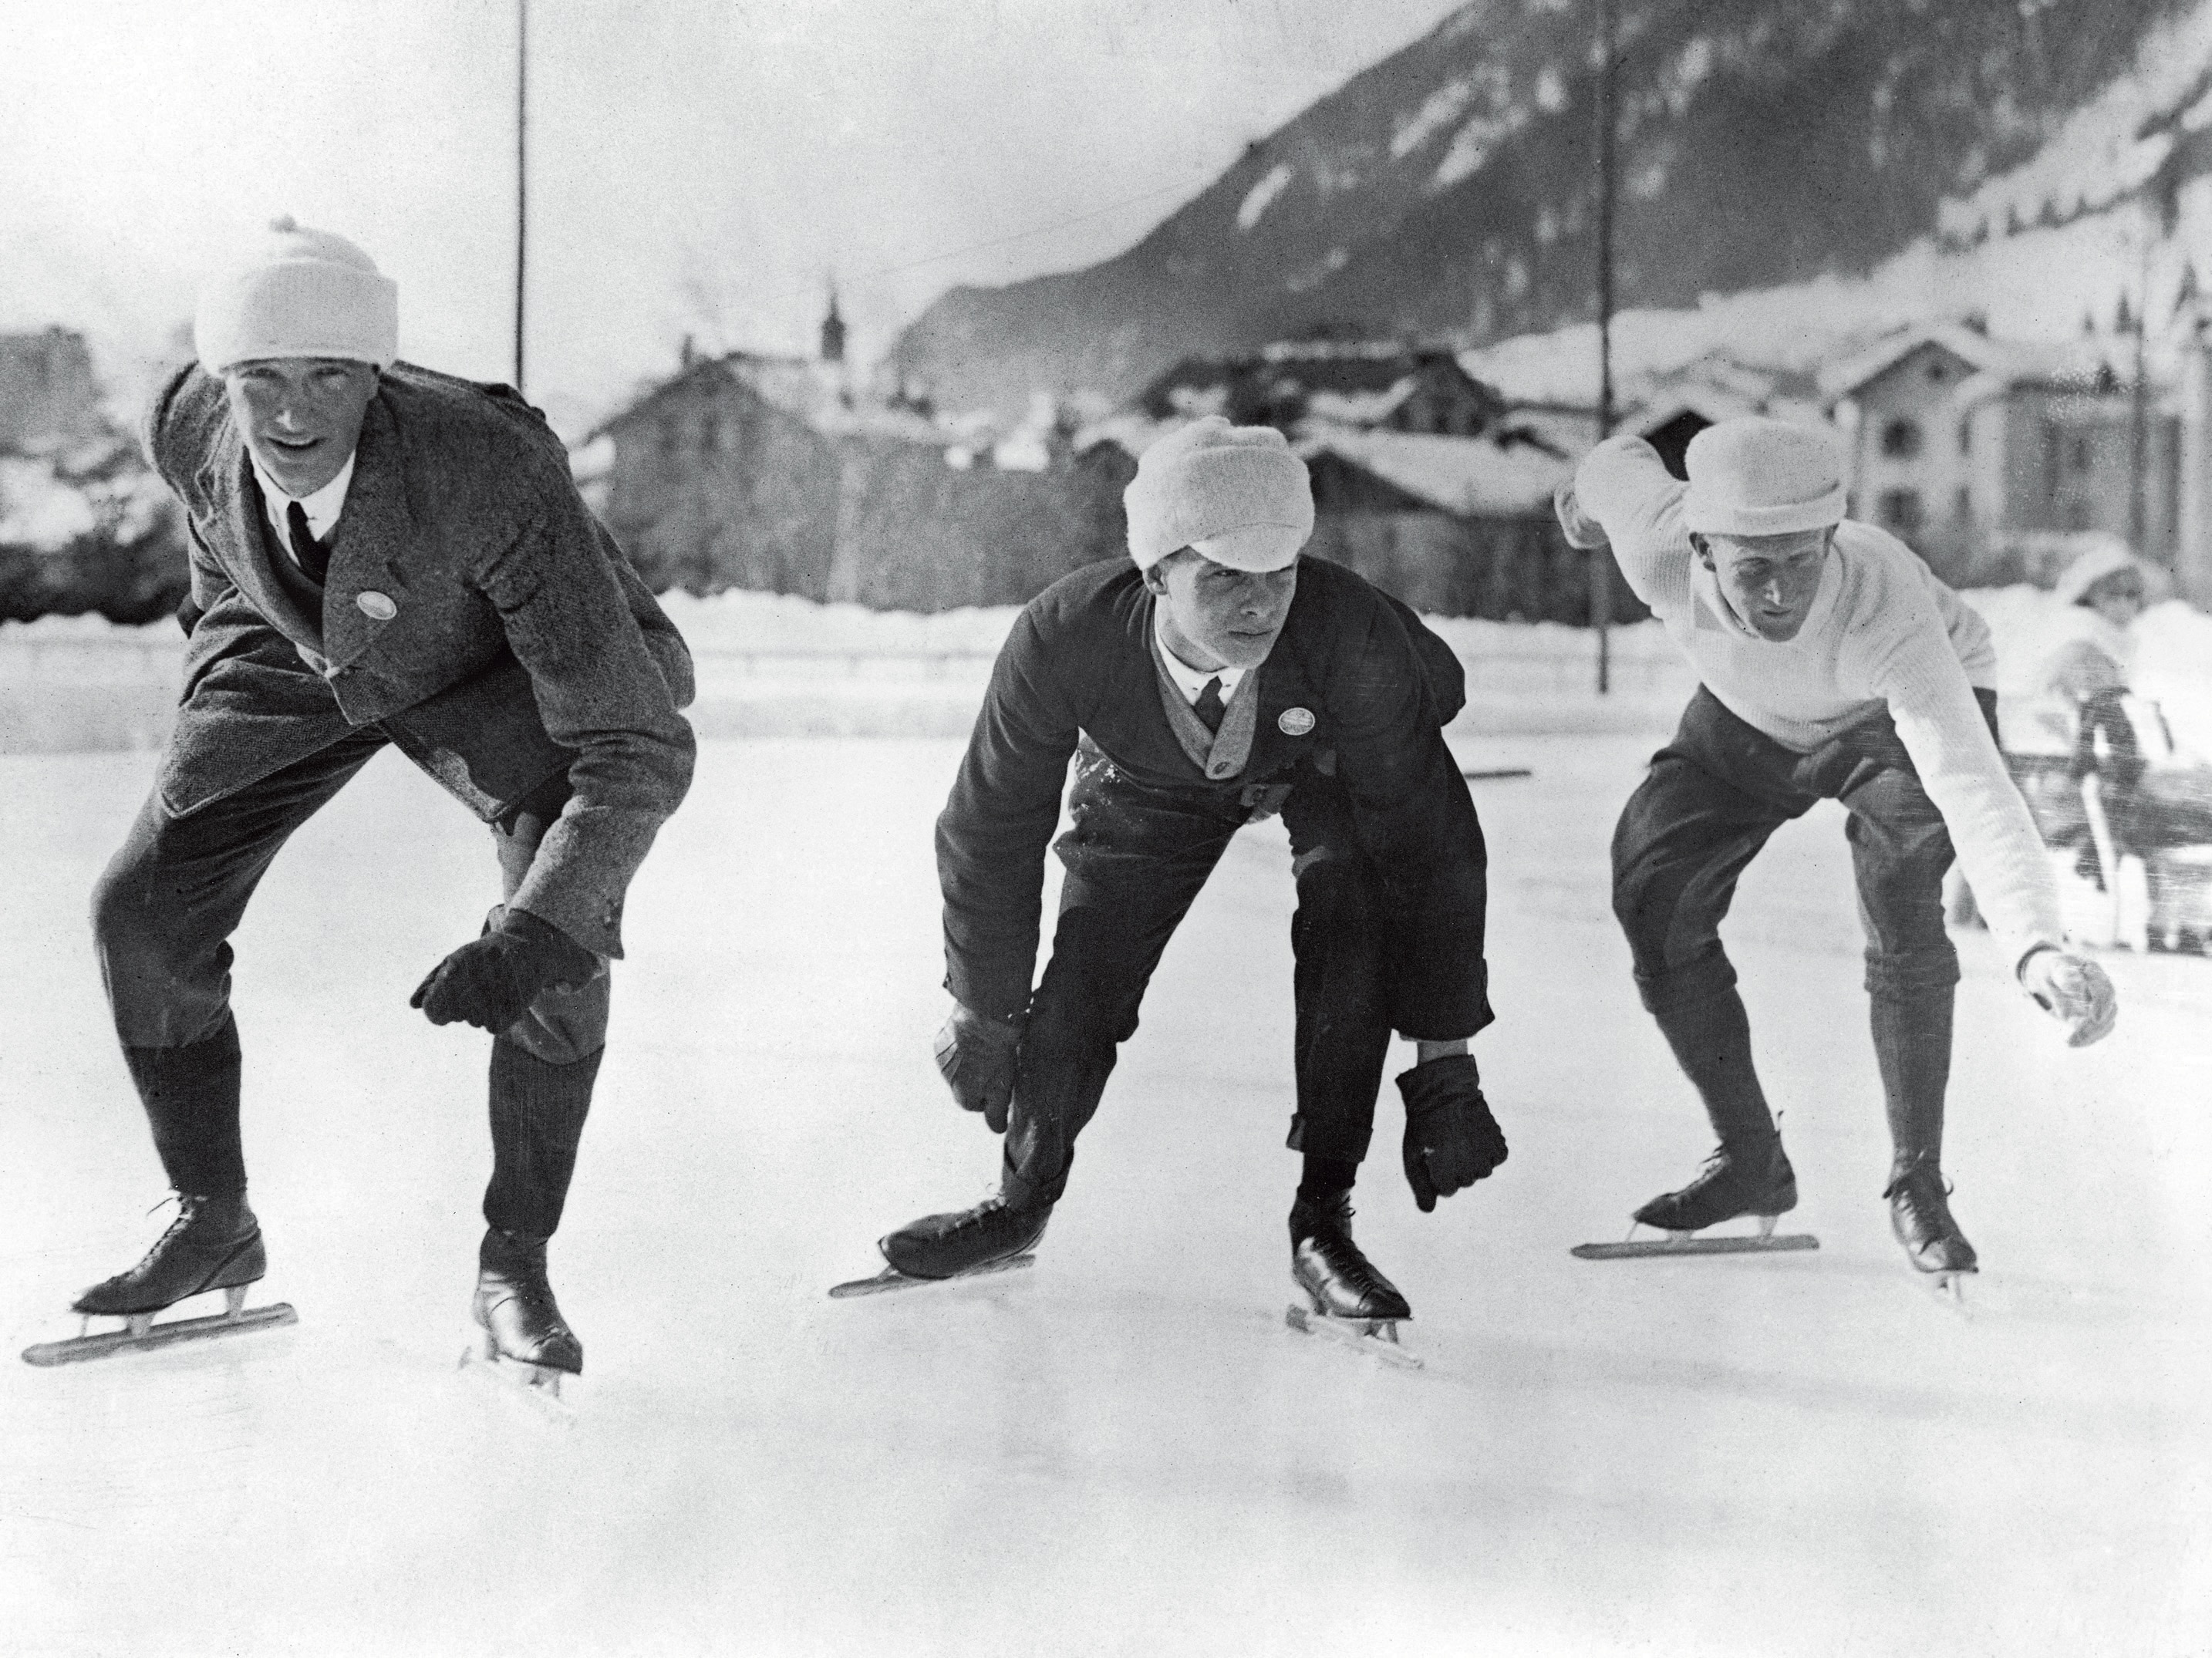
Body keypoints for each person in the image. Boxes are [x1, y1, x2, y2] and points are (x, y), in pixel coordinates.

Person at [70, 217, 696, 1380]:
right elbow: (216, 552)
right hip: (293, 647)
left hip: (498, 665)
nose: (292, 413)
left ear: (377, 374)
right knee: (140, 910)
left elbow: (634, 741)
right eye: (262, 378)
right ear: (222, 379)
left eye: (331, 377)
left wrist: (539, 929)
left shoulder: (490, 469)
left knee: (561, 943)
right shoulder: (186, 415)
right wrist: (218, 711)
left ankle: (514, 1263)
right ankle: (212, 1217)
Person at [873, 416, 1506, 1326]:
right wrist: (983, 1004)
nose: (1259, 603)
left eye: (1279, 573)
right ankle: (1020, 1201)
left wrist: (1446, 1056)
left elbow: (1430, 839)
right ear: (1156, 573)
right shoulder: (1065, 636)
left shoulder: (1351, 634)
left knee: (1351, 908)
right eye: (1224, 576)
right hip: (1152, 774)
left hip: (1324, 752)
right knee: (1086, 972)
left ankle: (1324, 1219)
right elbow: (989, 828)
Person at [1556, 416, 2116, 1281]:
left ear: (1830, 537)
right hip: (1747, 712)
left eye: (1802, 561)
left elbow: (1972, 782)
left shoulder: (1884, 605)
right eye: (1754, 569)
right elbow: (1611, 465)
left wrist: (2037, 944)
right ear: (1702, 549)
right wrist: (1580, 508)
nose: (1782, 595)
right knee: (1651, 888)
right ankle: (1751, 1159)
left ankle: (1917, 1181)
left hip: (1886, 717)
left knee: (1901, 895)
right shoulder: (1657, 545)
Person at [2003, 544, 2212, 942]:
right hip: (2076, 796)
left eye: (2134, 594)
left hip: (2052, 791)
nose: (2129, 605)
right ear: (2091, 596)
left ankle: (2175, 918)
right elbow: (2105, 736)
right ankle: (2177, 923)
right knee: (2193, 808)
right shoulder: (2087, 648)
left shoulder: (2074, 640)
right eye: (2116, 594)